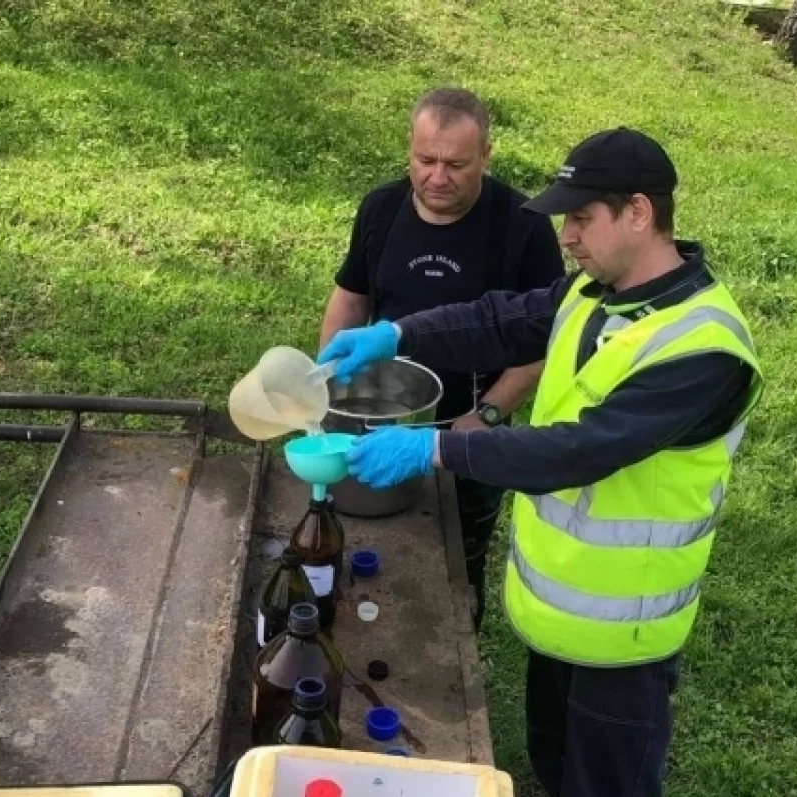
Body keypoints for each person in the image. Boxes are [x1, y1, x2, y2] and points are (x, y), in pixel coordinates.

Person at [318, 128, 764, 797]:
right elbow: (500, 321)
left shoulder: (703, 349)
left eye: (582, 218)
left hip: (623, 637)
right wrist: (398, 332)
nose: (568, 237)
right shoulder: (593, 292)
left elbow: (578, 448)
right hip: (557, 614)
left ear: (639, 213)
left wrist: (435, 444)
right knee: (554, 768)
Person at [318, 87, 565, 629]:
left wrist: (488, 416)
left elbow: (544, 339)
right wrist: (325, 378)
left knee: (457, 557)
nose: (436, 177)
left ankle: (456, 640)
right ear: (409, 150)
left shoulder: (519, 225)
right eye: (424, 160)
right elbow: (351, 295)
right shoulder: (381, 209)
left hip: (470, 426)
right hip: (378, 414)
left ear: (486, 155)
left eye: (455, 164)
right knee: (364, 535)